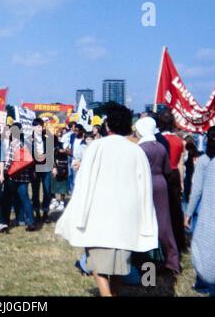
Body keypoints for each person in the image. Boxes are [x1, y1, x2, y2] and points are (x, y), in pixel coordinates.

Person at [56, 104, 158, 297]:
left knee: (97, 259)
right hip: (125, 215)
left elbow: (83, 181)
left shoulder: (97, 146)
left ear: (108, 126)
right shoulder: (136, 151)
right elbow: (144, 187)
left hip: (99, 213)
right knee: (119, 261)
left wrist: (79, 210)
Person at [135, 117, 180, 274]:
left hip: (146, 184)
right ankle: (172, 260)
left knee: (146, 221)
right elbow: (168, 169)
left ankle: (149, 265)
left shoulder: (140, 149)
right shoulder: (160, 146)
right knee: (164, 222)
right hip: (161, 183)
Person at [185, 126, 215, 294]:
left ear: (207, 138)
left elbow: (196, 190)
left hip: (206, 210)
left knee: (205, 247)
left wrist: (188, 213)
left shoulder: (203, 160)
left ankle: (203, 282)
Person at [158, 110, 186, 253]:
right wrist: (181, 182)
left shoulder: (158, 140)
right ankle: (178, 242)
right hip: (175, 174)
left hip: (162, 174)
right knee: (175, 210)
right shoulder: (179, 141)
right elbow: (181, 164)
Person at [3, 123, 36, 232]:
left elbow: (8, 161)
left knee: (7, 200)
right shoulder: (25, 144)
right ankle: (29, 221)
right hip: (24, 176)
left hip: (12, 176)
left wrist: (3, 172)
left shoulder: (12, 144)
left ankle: (5, 222)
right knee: (25, 199)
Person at [31, 118, 54, 224]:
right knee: (35, 191)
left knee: (47, 190)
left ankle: (45, 212)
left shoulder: (47, 138)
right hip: (35, 168)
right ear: (33, 127)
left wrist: (53, 167)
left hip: (46, 167)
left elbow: (50, 154)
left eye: (41, 126)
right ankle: (37, 213)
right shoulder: (29, 139)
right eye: (38, 126)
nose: (40, 128)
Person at [49, 129, 68, 212]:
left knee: (62, 186)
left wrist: (63, 151)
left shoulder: (61, 145)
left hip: (62, 167)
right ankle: (54, 200)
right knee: (52, 185)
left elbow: (69, 153)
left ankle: (62, 203)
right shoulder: (48, 147)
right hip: (52, 168)